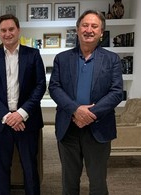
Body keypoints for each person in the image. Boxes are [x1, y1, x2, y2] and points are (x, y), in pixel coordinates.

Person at [48, 10, 123, 195]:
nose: (89, 30)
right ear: (77, 29)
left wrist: (90, 114)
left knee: (98, 183)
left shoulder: (112, 59)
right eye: (85, 25)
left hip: (98, 128)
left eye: (94, 26)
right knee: (69, 183)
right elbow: (55, 88)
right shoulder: (62, 59)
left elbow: (116, 93)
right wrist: (75, 110)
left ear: (101, 33)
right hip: (68, 129)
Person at [0, 14, 46, 195]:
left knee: (29, 167)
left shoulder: (33, 54)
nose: (7, 33)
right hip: (1, 122)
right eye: (3, 30)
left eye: (11, 29)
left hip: (27, 121)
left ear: (18, 30)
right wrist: (7, 115)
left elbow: (40, 85)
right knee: (1, 169)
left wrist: (21, 113)